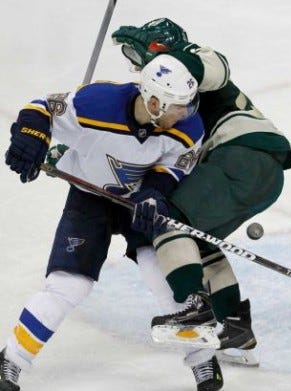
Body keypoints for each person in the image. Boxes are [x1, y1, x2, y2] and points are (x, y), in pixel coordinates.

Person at [110, 18, 291, 391]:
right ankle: (235, 329)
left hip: (241, 156)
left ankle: (193, 310)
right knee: (196, 240)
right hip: (260, 170)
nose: (138, 68)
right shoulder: (171, 98)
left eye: (143, 57)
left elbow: (215, 67)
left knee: (168, 221)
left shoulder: (193, 59)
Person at [0, 54, 205, 391]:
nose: (186, 112)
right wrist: (32, 134)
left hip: (139, 204)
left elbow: (172, 166)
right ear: (154, 102)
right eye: (178, 106)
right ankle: (12, 359)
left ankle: (202, 360)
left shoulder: (188, 128)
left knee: (161, 273)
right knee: (68, 284)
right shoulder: (96, 103)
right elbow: (42, 107)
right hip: (88, 197)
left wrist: (155, 192)